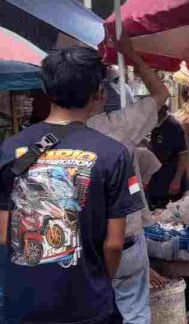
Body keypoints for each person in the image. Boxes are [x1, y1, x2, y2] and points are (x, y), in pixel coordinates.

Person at [0, 46, 144, 324]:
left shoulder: (10, 148)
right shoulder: (113, 154)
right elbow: (114, 244)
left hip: (22, 305)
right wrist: (98, 284)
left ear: (45, 88)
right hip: (87, 306)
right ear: (100, 94)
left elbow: (5, 235)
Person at [87, 32, 170, 324]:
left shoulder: (38, 142)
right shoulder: (119, 127)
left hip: (78, 247)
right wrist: (132, 55)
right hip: (125, 238)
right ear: (99, 95)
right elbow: (161, 93)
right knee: (133, 313)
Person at [148, 105, 189, 209]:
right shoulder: (155, 125)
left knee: (171, 211)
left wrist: (176, 180)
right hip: (158, 175)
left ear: (161, 111)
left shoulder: (173, 127)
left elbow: (183, 155)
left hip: (171, 176)